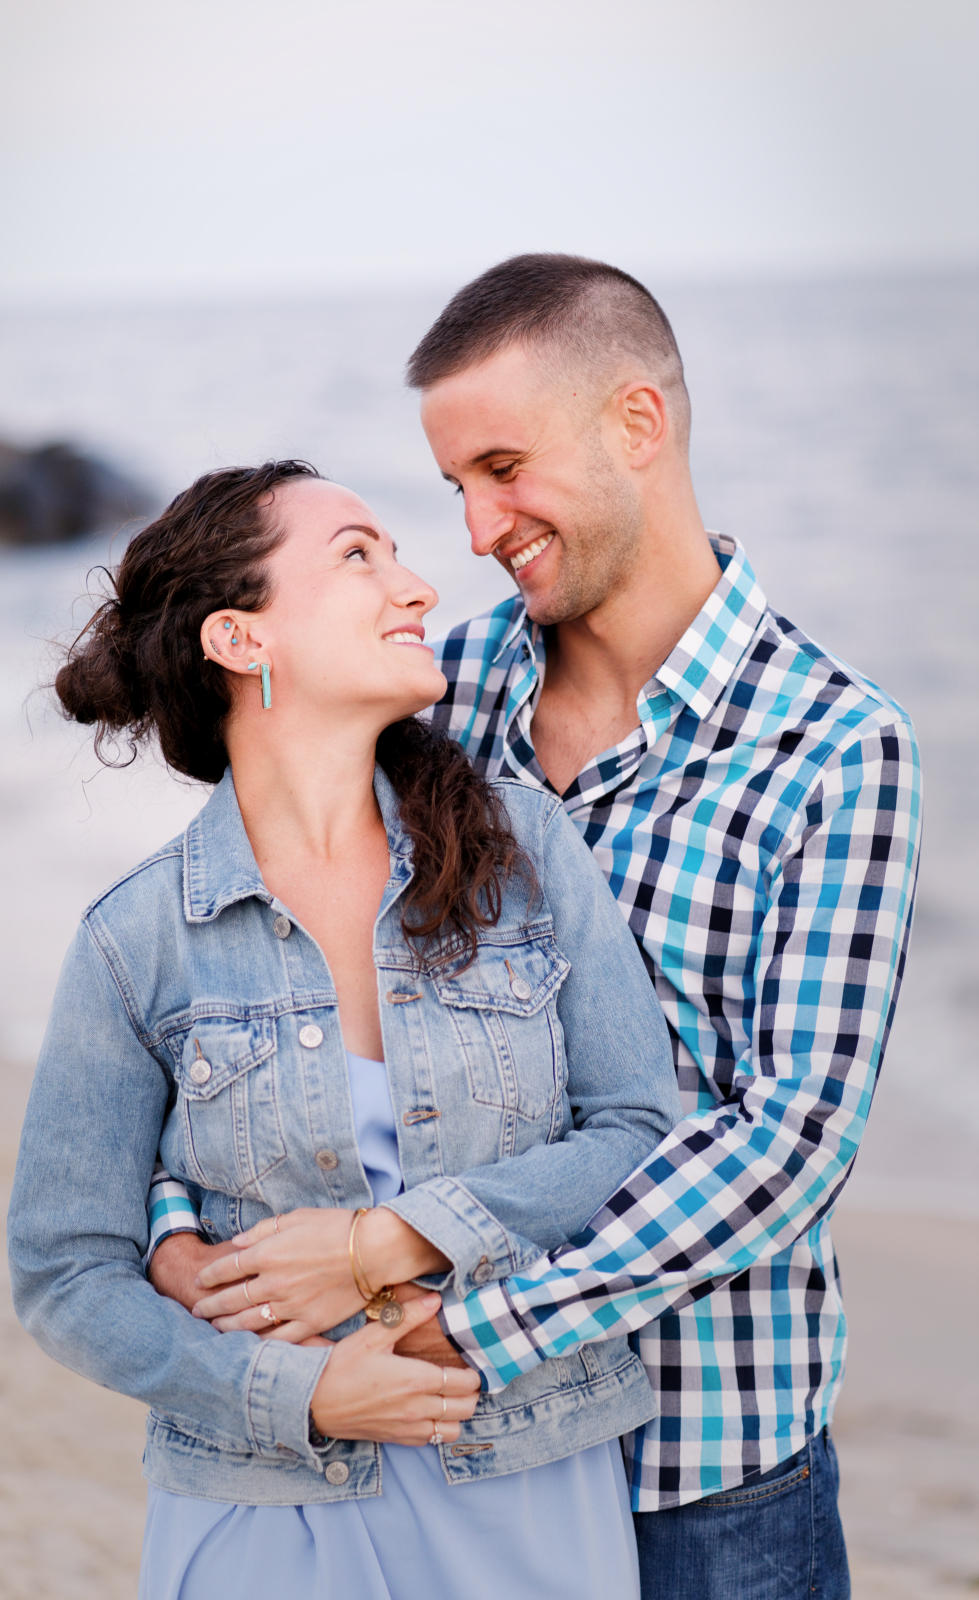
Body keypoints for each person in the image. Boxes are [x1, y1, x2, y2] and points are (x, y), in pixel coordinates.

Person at [149, 256, 922, 1600]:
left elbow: (786, 1142)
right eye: (452, 484)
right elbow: (260, 975)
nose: (474, 527)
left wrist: (450, 1308)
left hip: (702, 1481)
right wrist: (183, 1232)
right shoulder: (444, 692)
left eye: (502, 468)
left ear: (636, 425)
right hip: (440, 1476)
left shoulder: (836, 748)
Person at [7, 459, 682, 1599]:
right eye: (358, 555)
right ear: (240, 640)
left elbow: (633, 1128)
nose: (417, 585)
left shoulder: (520, 852)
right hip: (259, 1500)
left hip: (522, 1474)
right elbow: (66, 1271)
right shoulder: (137, 939)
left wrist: (403, 1235)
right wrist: (295, 1394)